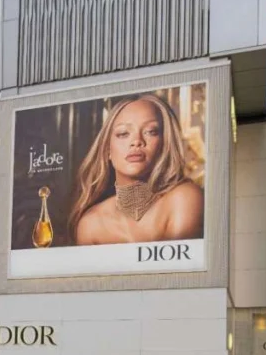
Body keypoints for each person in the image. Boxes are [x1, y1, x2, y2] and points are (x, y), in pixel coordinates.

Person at [69, 93, 204, 246]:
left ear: (165, 144)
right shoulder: (91, 224)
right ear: (107, 149)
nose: (136, 141)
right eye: (123, 133)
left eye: (150, 132)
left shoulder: (185, 198)